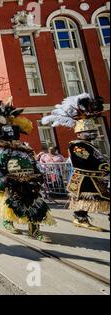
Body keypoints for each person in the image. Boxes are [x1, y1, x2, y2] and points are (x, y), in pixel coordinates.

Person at [0, 98, 55, 242]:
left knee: (34, 202)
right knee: (10, 203)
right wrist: (2, 176)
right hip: (8, 180)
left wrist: (38, 173)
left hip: (28, 179)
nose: (12, 134)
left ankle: (35, 229)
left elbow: (31, 159)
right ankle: (8, 221)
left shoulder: (22, 145)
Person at [42, 94, 109, 231]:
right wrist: (104, 166)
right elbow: (87, 160)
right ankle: (80, 218)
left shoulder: (89, 145)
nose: (92, 134)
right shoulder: (77, 145)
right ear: (80, 133)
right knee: (86, 200)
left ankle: (80, 217)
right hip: (84, 179)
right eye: (88, 132)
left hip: (93, 177)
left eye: (92, 131)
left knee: (93, 200)